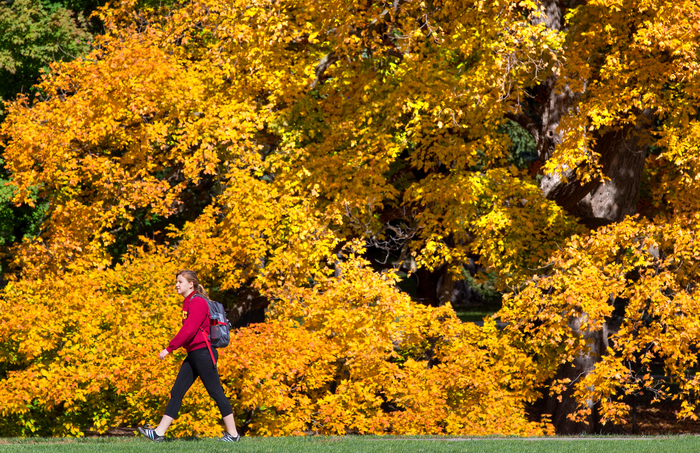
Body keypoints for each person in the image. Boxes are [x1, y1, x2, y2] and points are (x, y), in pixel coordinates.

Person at [137, 269, 240, 442]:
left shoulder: (197, 302)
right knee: (177, 391)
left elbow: (189, 329)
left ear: (191, 284)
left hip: (203, 353)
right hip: (194, 353)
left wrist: (169, 348)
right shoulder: (189, 302)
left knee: (216, 392)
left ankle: (234, 434)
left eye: (180, 282)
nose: (176, 285)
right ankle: (158, 433)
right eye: (176, 282)